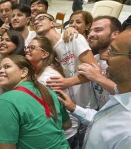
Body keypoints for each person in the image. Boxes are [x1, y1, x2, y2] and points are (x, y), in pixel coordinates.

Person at [32, 12, 98, 147]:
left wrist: (68, 82)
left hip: (87, 105)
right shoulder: (49, 52)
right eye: (34, 20)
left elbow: (95, 70)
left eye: (41, 18)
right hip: (71, 110)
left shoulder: (73, 38)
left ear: (53, 23)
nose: (36, 21)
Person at [57, 29, 131, 149]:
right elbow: (103, 121)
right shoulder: (122, 96)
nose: (105, 56)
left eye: (113, 51)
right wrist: (74, 108)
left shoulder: (128, 133)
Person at [0, 55, 71, 148]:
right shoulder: (50, 92)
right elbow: (67, 124)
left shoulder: (7, 100)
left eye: (7, 66)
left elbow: (7, 146)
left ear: (24, 72)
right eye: (0, 68)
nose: (0, 71)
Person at [25, 36, 78, 146]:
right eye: (27, 47)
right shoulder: (35, 72)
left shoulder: (48, 78)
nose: (27, 50)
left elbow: (56, 110)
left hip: (63, 131)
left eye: (32, 48)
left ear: (45, 54)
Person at [78, 16, 122, 109]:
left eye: (98, 30)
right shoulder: (94, 59)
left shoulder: (126, 61)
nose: (91, 34)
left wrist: (97, 77)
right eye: (90, 31)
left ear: (115, 34)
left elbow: (127, 94)